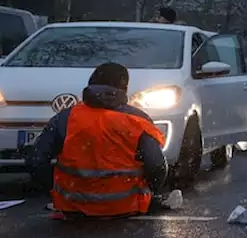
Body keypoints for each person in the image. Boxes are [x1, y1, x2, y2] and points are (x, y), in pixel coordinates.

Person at [26, 62, 181, 219]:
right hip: (126, 206)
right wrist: (151, 190)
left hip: (73, 207)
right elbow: (156, 165)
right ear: (124, 88)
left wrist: (56, 193)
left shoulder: (65, 118)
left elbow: (37, 161)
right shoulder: (138, 120)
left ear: (90, 85)